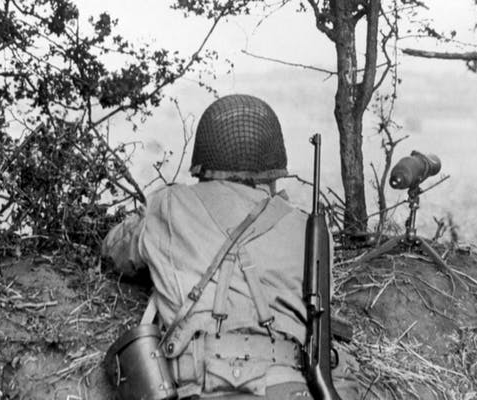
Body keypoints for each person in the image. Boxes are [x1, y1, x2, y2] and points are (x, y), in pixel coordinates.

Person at [103, 94, 363, 399]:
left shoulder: (170, 207)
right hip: (290, 388)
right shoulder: (309, 230)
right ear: (273, 173)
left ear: (202, 166)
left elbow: (115, 252)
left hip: (200, 386)